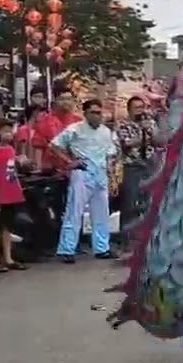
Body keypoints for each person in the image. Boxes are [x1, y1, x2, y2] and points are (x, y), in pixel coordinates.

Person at [51, 99, 119, 262]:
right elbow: (54, 145)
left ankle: (102, 248)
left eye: (99, 112)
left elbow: (111, 153)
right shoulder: (75, 130)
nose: (97, 116)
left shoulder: (105, 132)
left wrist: (111, 173)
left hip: (100, 174)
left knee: (101, 213)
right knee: (74, 212)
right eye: (93, 112)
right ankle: (67, 249)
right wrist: (69, 162)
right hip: (82, 173)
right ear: (86, 113)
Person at [114, 96, 163, 249]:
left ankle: (148, 240)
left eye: (142, 107)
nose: (140, 111)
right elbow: (127, 144)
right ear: (129, 110)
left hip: (150, 165)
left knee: (150, 202)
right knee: (130, 203)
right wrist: (144, 136)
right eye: (137, 108)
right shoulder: (122, 125)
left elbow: (160, 141)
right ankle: (127, 241)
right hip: (132, 166)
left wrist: (149, 130)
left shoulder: (150, 122)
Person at [0, 119, 30, 272]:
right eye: (5, 131)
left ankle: (8, 259)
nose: (9, 134)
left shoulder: (10, 149)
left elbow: (10, 170)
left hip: (10, 193)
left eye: (10, 131)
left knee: (7, 227)